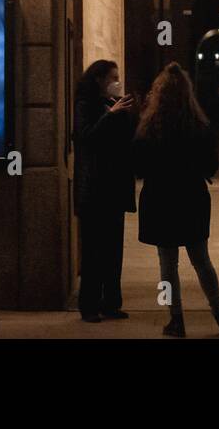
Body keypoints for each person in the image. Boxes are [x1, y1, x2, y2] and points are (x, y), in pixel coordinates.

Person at [132, 62, 219, 337]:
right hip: (191, 198)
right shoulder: (199, 126)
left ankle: (175, 319)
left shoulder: (150, 127)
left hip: (159, 199)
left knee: (167, 264)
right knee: (201, 260)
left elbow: (139, 167)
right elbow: (212, 166)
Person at [73, 59, 136, 323]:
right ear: (99, 79)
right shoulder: (86, 105)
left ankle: (111, 303)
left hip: (114, 189)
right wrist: (110, 116)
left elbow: (127, 142)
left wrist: (125, 114)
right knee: (93, 252)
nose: (117, 81)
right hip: (94, 190)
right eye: (113, 77)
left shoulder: (113, 105)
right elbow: (86, 137)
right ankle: (89, 305)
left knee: (113, 251)